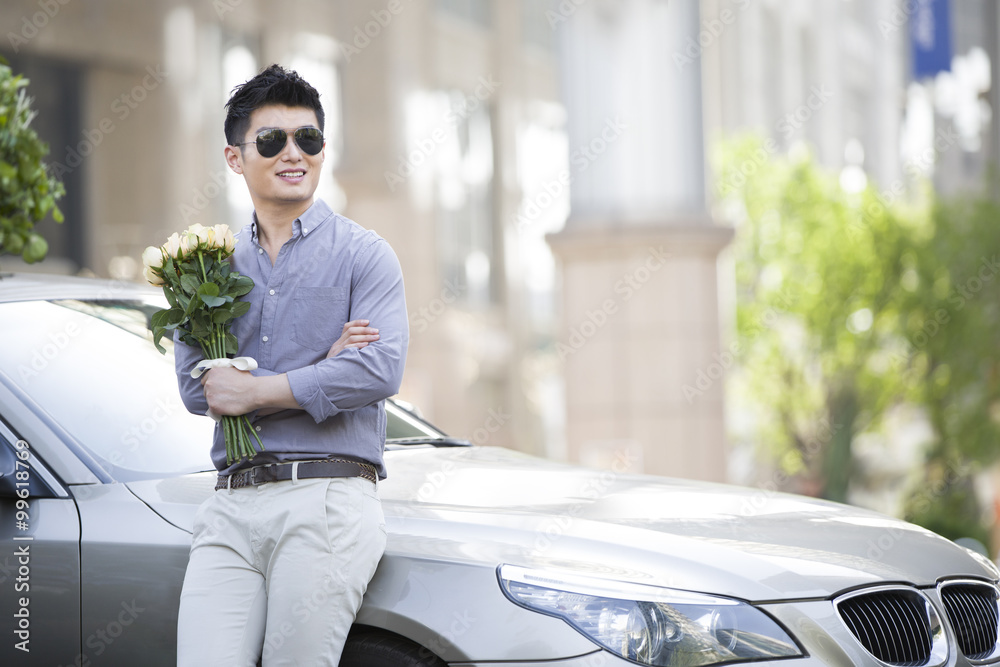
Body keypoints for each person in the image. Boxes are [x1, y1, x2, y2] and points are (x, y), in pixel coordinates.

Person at [173, 64, 408, 666]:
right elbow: (199, 393)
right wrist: (317, 369)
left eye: (308, 139)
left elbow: (378, 370)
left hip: (326, 500)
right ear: (235, 157)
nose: (293, 153)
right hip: (230, 503)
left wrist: (258, 390)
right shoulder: (206, 267)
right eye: (271, 140)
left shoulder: (366, 255)